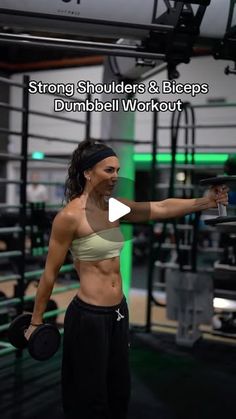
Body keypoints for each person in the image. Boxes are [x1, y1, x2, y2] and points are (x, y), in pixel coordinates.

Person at [24, 139, 228, 419]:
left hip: (118, 313)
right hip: (88, 318)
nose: (115, 176)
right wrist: (36, 321)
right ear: (87, 173)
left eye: (117, 170)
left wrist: (206, 201)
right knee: (88, 397)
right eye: (108, 170)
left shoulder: (114, 207)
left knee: (119, 391)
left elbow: (162, 207)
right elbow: (49, 273)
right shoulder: (70, 217)